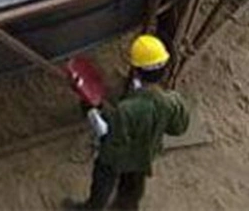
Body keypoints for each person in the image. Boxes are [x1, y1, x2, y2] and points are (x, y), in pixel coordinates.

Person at [63, 35, 190, 210]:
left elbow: (109, 139)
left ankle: (92, 208)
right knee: (133, 188)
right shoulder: (173, 102)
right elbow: (179, 128)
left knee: (103, 180)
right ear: (165, 68)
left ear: (136, 70)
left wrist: (93, 110)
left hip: (116, 157)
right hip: (145, 154)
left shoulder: (127, 109)